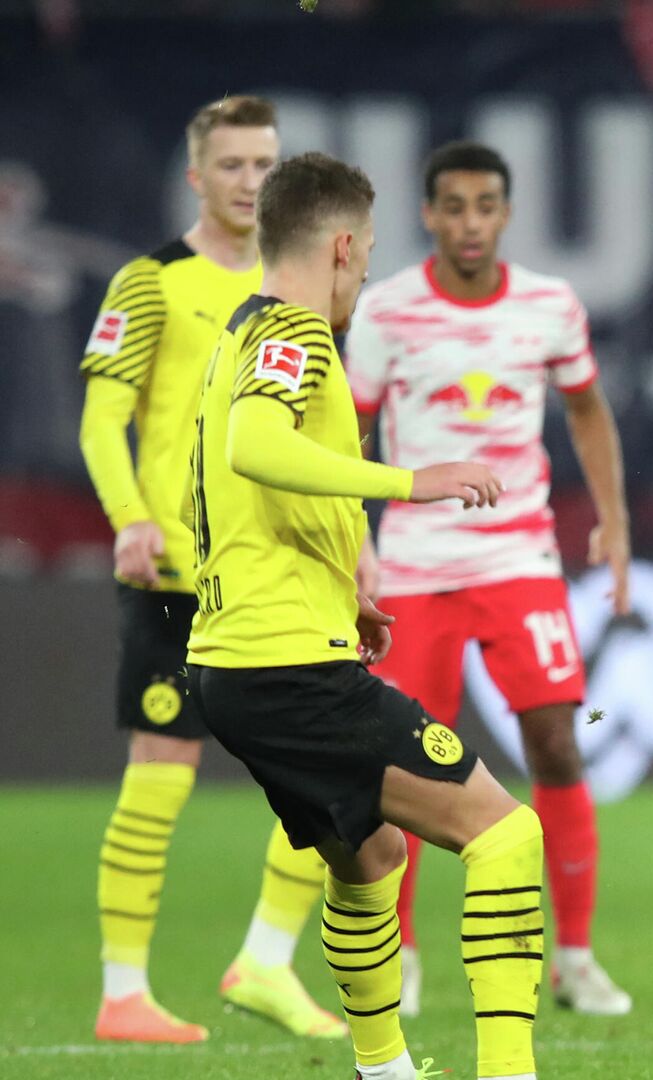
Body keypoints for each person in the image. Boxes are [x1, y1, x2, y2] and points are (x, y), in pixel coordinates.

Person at [185, 151, 543, 1080]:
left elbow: (233, 492)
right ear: (341, 246)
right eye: (370, 258)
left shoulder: (238, 334)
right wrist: (410, 481)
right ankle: (510, 1073)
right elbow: (256, 448)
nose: (366, 278)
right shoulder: (296, 336)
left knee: (370, 856)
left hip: (235, 664)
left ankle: (383, 1070)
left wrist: (344, 586)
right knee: (506, 834)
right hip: (288, 670)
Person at [76, 94, 347, 1044]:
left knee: (331, 778)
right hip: (175, 575)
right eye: (231, 165)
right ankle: (122, 993)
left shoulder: (296, 290)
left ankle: (266, 962)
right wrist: (129, 519)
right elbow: (103, 420)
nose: (248, 181)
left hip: (277, 576)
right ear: (196, 176)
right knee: (158, 776)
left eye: (264, 164)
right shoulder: (151, 283)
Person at [347, 140, 632, 1018]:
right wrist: (351, 551)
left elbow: (586, 410)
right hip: (416, 568)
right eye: (454, 206)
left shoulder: (550, 305)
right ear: (428, 214)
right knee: (401, 764)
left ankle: (575, 958)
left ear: (506, 213)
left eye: (486, 205)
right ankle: (402, 955)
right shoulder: (386, 311)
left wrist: (613, 521)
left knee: (556, 740)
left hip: (521, 561)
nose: (470, 222)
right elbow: (345, 439)